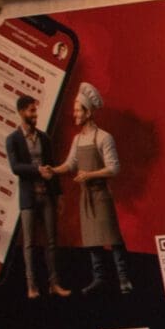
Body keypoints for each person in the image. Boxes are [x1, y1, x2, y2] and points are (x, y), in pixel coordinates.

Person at [58, 83, 132, 294]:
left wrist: (89, 175)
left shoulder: (104, 137)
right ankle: (99, 278)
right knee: (92, 240)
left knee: (113, 239)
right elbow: (70, 164)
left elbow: (114, 168)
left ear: (88, 112)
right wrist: (52, 170)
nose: (74, 114)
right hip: (85, 197)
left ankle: (124, 279)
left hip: (100, 195)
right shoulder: (77, 139)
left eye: (78, 110)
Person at [5, 93, 69, 299]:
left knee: (51, 242)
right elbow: (15, 167)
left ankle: (54, 284)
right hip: (28, 199)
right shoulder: (13, 139)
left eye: (35, 110)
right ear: (22, 112)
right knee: (29, 244)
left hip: (47, 196)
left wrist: (59, 194)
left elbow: (52, 163)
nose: (35, 115)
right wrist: (37, 170)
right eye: (32, 111)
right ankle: (32, 286)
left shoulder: (44, 138)